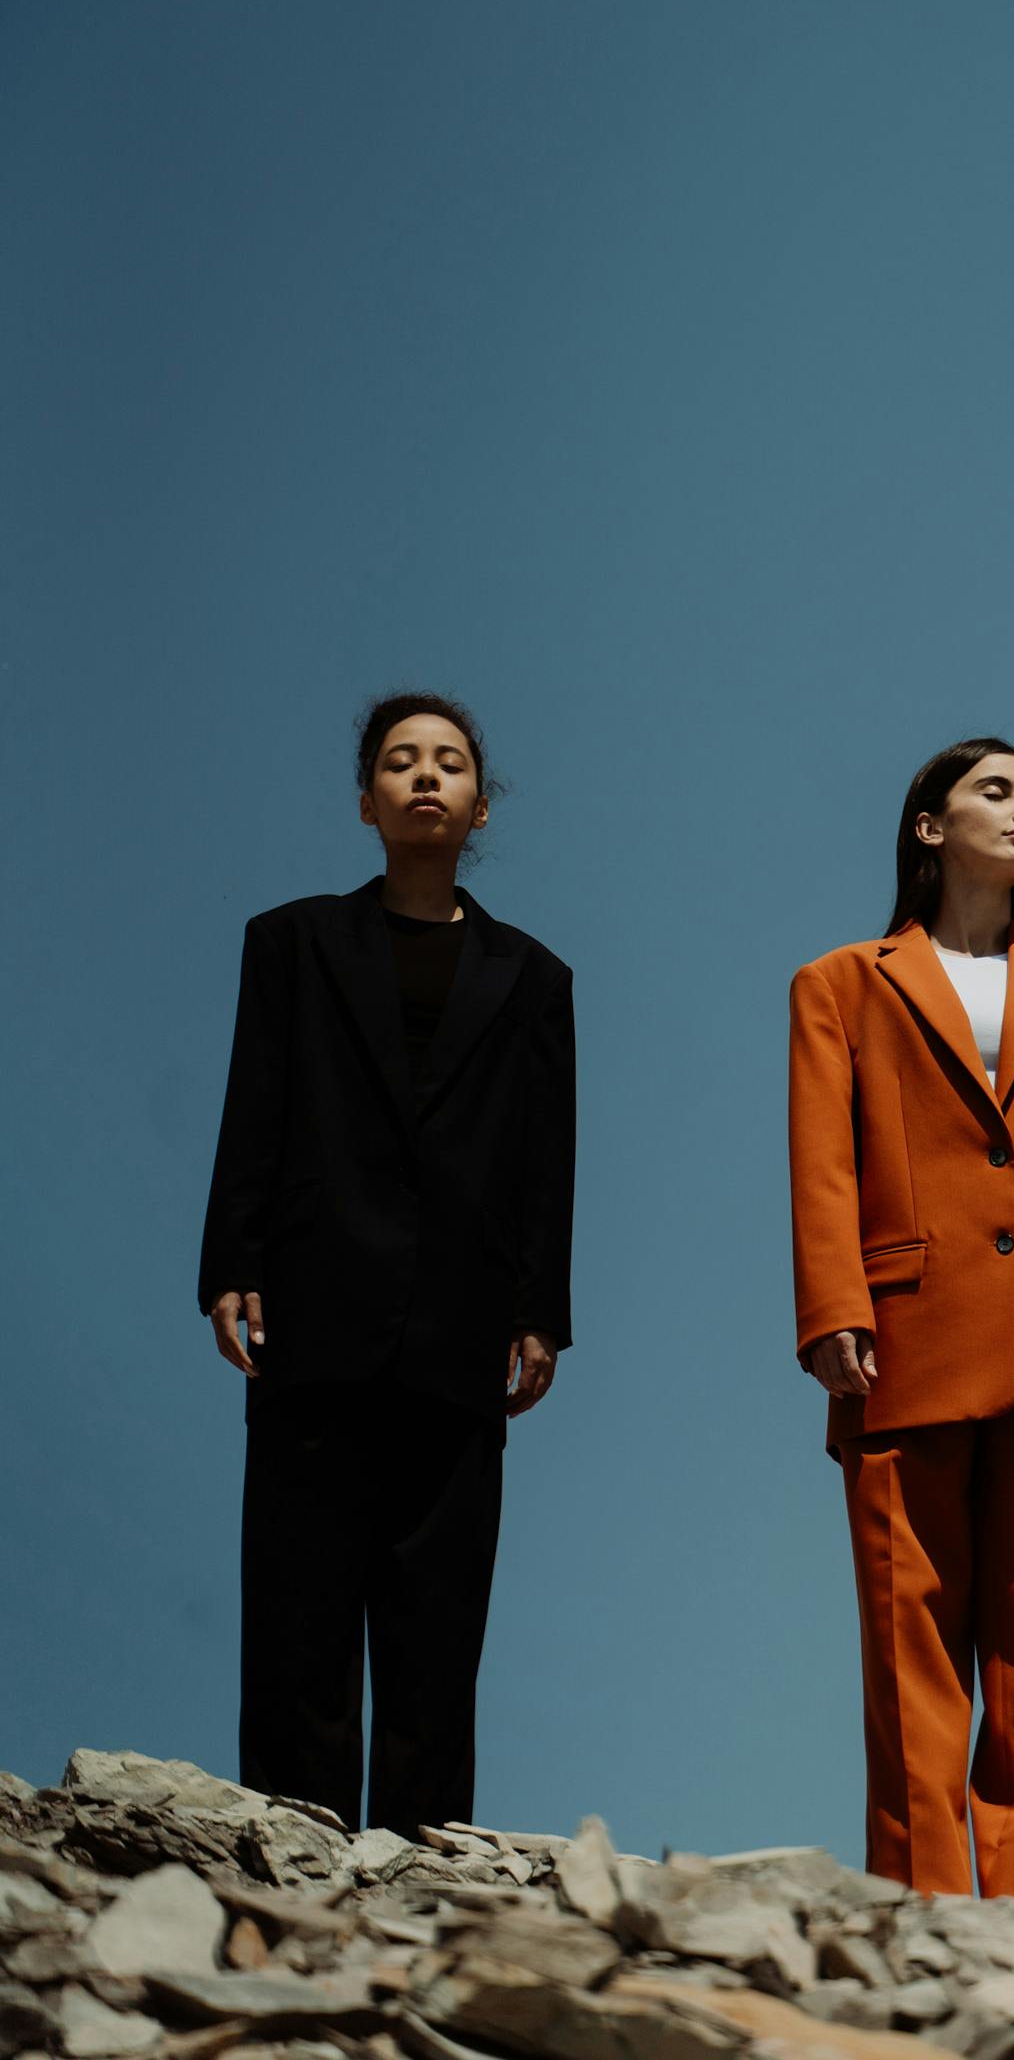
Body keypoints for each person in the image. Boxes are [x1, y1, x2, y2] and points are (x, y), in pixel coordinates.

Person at [788, 737, 1014, 1901]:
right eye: (994, 792)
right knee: (912, 1658)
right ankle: (924, 1912)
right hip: (904, 1344)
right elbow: (824, 1161)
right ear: (929, 825)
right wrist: (834, 1306)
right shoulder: (839, 984)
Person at [198, 692, 575, 1838]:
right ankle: (291, 1854)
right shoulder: (292, 943)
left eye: (449, 763)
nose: (425, 776)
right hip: (314, 1312)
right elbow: (254, 1106)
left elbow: (546, 1155)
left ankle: (423, 1867)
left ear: (479, 806)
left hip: (463, 1328)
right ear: (365, 801)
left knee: (436, 1623)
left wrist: (541, 1311)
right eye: (400, 761)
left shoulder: (535, 977)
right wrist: (230, 1261)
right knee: (299, 1610)